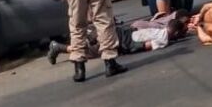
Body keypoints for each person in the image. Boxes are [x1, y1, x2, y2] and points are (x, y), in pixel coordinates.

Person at [47, 10, 191, 64]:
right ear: (175, 33)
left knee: (88, 49)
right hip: (118, 41)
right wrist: (131, 49)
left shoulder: (160, 31)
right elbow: (143, 45)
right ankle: (58, 47)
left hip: (118, 33)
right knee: (85, 52)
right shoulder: (163, 37)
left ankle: (58, 47)